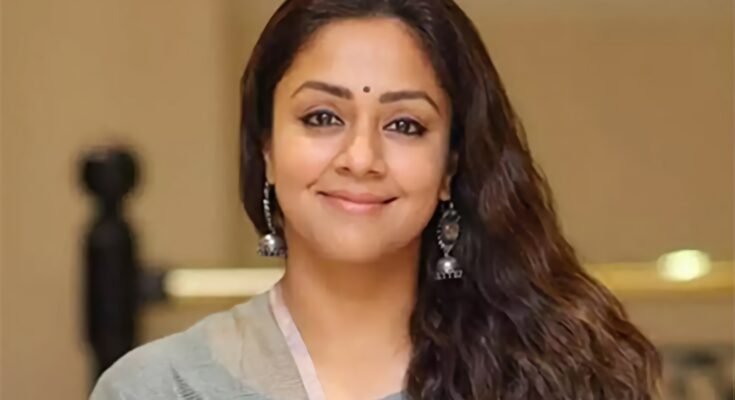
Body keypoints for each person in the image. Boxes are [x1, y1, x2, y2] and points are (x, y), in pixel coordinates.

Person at [91, 1, 661, 399]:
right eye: (322, 117)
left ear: (450, 167)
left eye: (405, 125)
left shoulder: (554, 377)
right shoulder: (160, 388)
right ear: (266, 148)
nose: (361, 157)